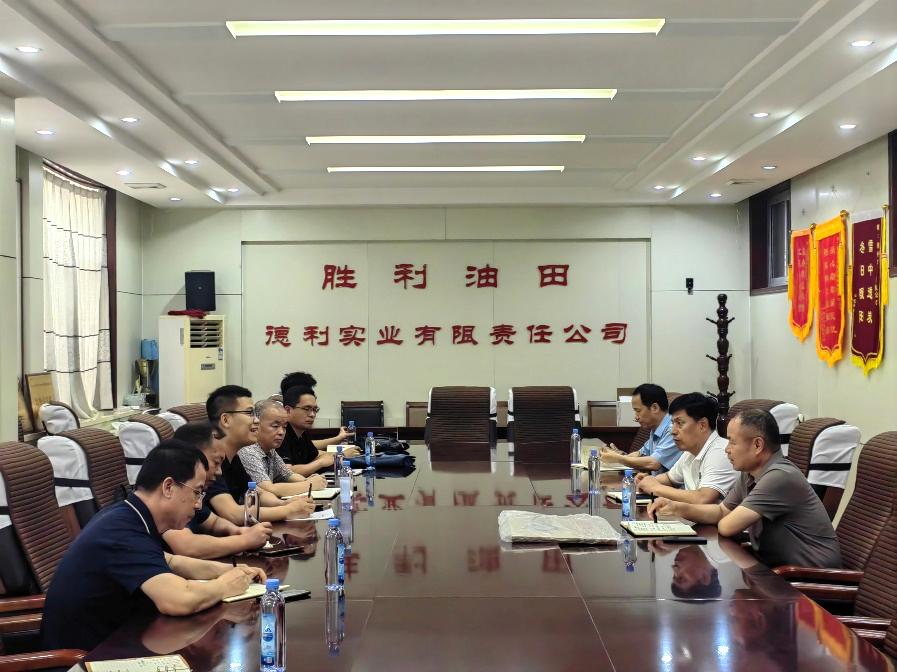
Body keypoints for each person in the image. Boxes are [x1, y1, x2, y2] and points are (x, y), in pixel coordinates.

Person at [41, 443, 266, 651]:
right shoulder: (120, 530)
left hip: (121, 640)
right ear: (168, 487)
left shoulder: (130, 514)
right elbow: (177, 600)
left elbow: (172, 562)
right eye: (197, 492)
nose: (199, 505)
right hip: (86, 658)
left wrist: (230, 570)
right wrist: (225, 586)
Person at [649, 409, 841, 568]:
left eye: (732, 442)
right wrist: (677, 507)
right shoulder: (750, 473)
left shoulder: (780, 477)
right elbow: (721, 511)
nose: (727, 449)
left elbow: (727, 525)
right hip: (780, 573)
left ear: (757, 445)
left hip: (812, 583)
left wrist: (720, 516)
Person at [204, 385, 316, 525]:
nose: (256, 421)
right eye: (249, 413)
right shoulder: (208, 460)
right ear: (226, 420)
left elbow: (257, 493)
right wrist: (288, 510)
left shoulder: (234, 458)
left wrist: (284, 503)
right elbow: (232, 513)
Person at [160, 423, 273, 559]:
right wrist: (245, 540)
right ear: (194, 457)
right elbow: (187, 547)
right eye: (216, 462)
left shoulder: (193, 491)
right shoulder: (171, 491)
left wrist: (237, 530)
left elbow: (213, 522)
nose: (219, 472)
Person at [636, 392, 736, 504]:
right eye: (673, 423)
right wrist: (648, 481)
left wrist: (655, 488)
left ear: (702, 425)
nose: (673, 431)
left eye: (680, 423)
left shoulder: (721, 452)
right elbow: (670, 479)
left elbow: (702, 498)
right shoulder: (690, 451)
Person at [239, 399, 328, 497]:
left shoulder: (270, 450)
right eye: (275, 426)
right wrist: (309, 484)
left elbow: (288, 475)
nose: (281, 432)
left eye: (284, 427)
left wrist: (308, 480)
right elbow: (268, 489)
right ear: (256, 425)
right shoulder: (248, 450)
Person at [277, 385, 358, 477]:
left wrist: (337, 455)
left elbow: (315, 456)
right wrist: (331, 459)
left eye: (315, 409)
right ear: (288, 410)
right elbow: (286, 472)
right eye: (306, 409)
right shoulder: (280, 433)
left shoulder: (301, 432)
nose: (312, 414)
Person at [600, 383, 680, 474]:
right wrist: (618, 455)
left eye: (638, 411)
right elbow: (639, 454)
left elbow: (653, 463)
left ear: (655, 408)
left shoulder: (673, 430)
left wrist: (618, 458)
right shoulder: (655, 428)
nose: (636, 417)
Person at [280, 371, 356, 452]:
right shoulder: (278, 415)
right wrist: (340, 452)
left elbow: (306, 448)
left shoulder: (299, 426)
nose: (312, 414)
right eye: (306, 408)